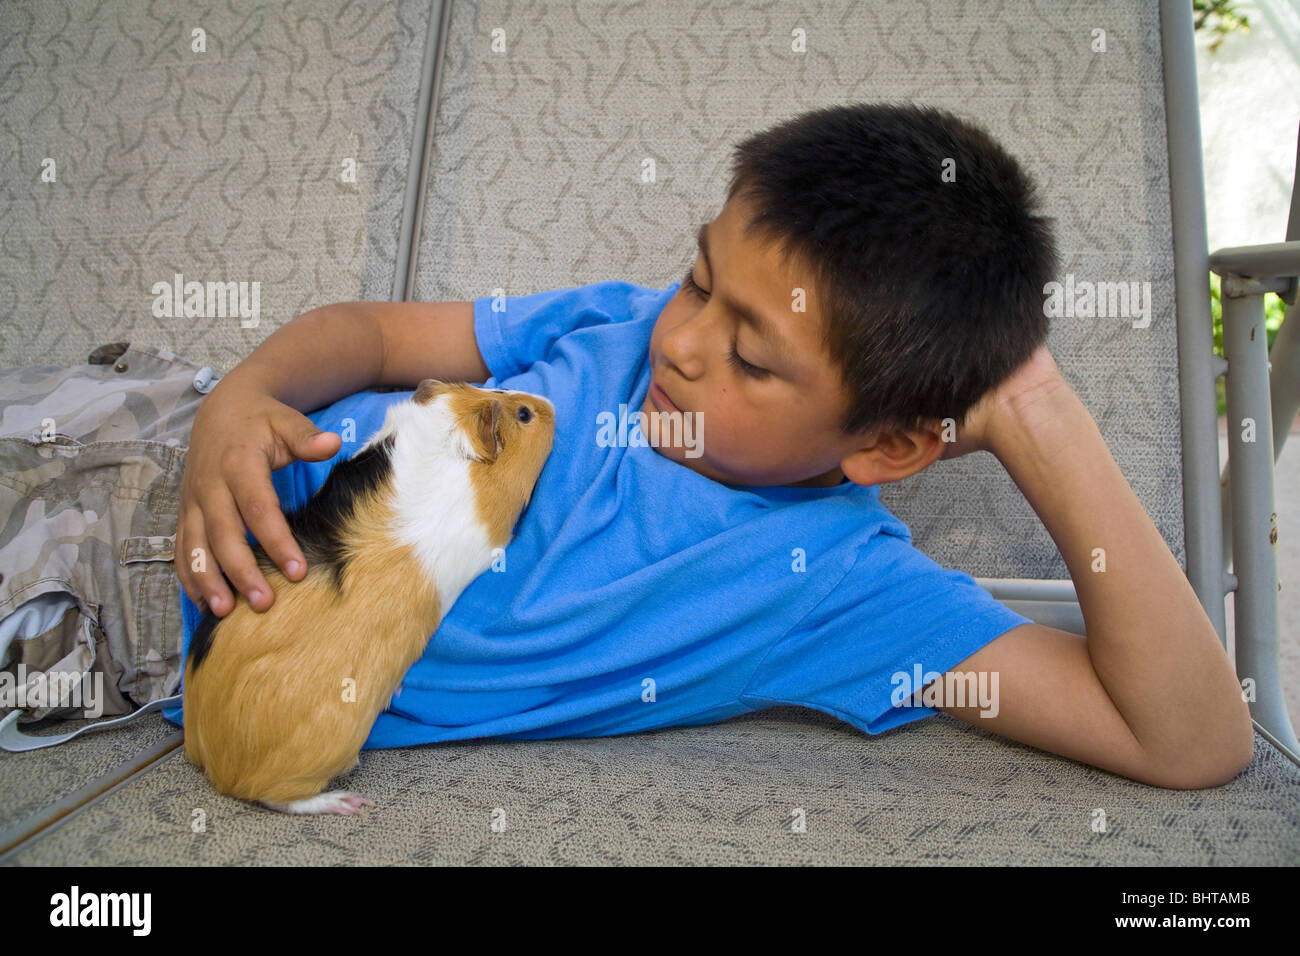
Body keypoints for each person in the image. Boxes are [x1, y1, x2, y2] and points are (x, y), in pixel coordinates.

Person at [10, 103, 1255, 787]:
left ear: (887, 443)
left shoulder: (845, 591)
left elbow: (1190, 737)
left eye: (754, 356)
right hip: (155, 421)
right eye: (697, 278)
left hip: (115, 617)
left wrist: (1035, 408)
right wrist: (242, 393)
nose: (686, 342)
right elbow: (372, 330)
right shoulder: (615, 322)